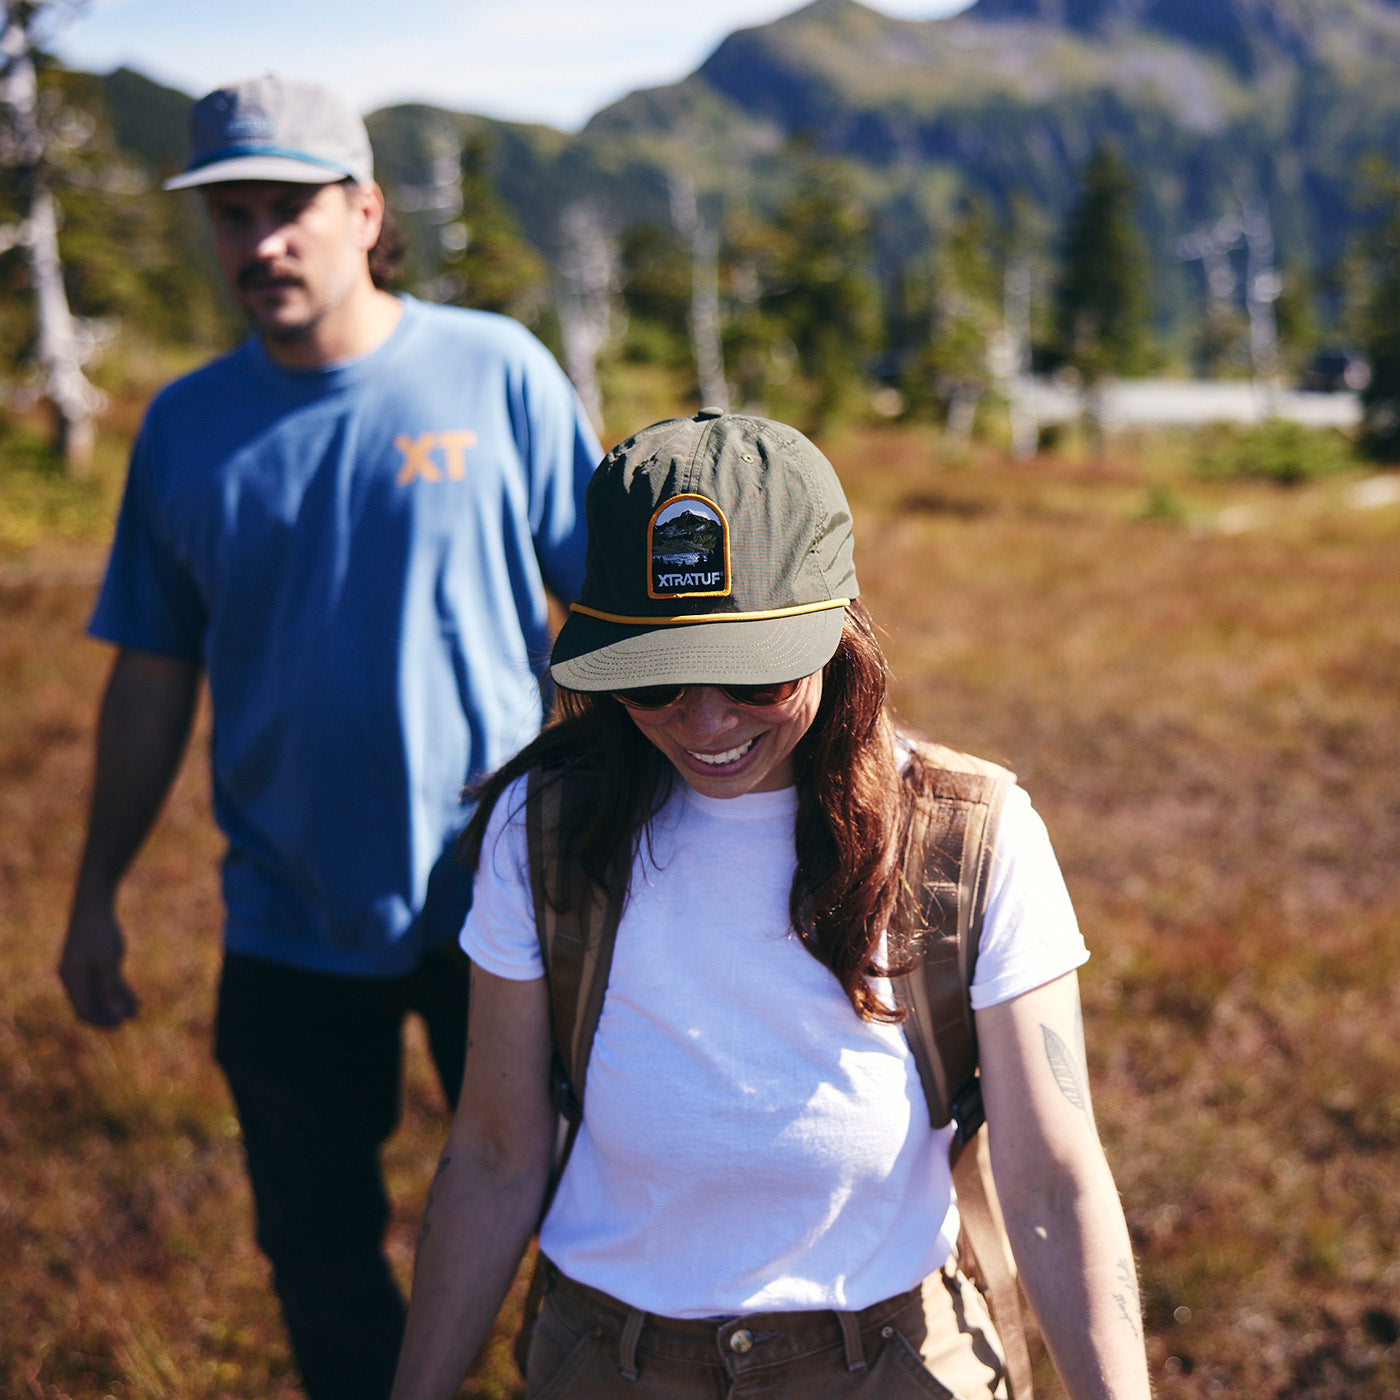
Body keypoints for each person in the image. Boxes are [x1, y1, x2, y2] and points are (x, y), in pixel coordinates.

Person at [387, 409, 1152, 1400]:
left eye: (754, 675)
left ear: (839, 634)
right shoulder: (541, 830)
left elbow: (1051, 1179)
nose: (705, 722)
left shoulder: (970, 837)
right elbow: (493, 1153)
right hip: (609, 1359)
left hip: (889, 1360)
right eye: (653, 679)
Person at [56, 74, 601, 1400]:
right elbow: (151, 674)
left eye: (287, 207)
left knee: (580, 1220)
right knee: (315, 1251)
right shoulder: (186, 426)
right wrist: (95, 892)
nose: (260, 242)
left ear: (363, 211)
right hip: (284, 916)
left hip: (502, 903)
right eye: (231, 214)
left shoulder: (495, 373)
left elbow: (614, 617)